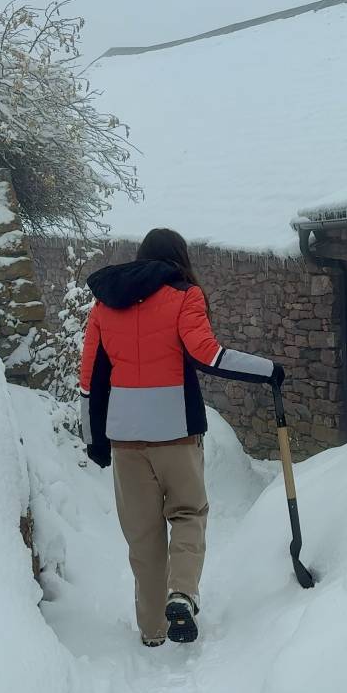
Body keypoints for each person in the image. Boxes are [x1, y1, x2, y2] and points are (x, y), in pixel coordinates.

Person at [78, 228, 282, 647]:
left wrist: (93, 438)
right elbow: (207, 354)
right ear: (178, 257)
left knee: (143, 532)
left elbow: (91, 379)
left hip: (125, 438)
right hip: (176, 433)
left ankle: (152, 631)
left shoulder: (104, 303)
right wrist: (268, 370)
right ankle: (182, 594)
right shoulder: (184, 295)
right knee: (188, 513)